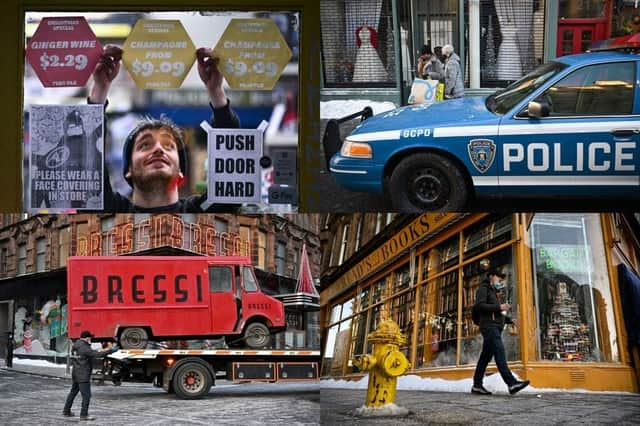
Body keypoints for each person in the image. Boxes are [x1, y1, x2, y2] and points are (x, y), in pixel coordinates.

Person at [89, 45, 241, 212]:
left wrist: (216, 91)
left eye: (168, 145)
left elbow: (231, 171)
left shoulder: (204, 211)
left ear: (181, 172)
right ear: (128, 170)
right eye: (145, 145)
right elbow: (85, 161)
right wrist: (99, 90)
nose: (159, 149)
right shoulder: (109, 211)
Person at [471, 269, 530, 396]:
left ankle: (477, 386)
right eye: (499, 278)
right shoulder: (484, 289)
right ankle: (511, 383)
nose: (501, 281)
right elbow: (479, 306)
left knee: (484, 358)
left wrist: (509, 320)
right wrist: (499, 307)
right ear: (491, 277)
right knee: (499, 351)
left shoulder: (495, 292)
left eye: (503, 279)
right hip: (489, 326)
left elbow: (497, 314)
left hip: (495, 326)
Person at [63, 330, 118, 420]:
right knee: (86, 395)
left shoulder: (76, 345)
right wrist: (110, 351)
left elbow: (89, 353)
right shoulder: (84, 347)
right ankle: (84, 415)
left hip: (76, 373)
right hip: (83, 375)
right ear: (87, 338)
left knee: (73, 392)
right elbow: (96, 354)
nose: (90, 339)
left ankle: (66, 411)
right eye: (90, 338)